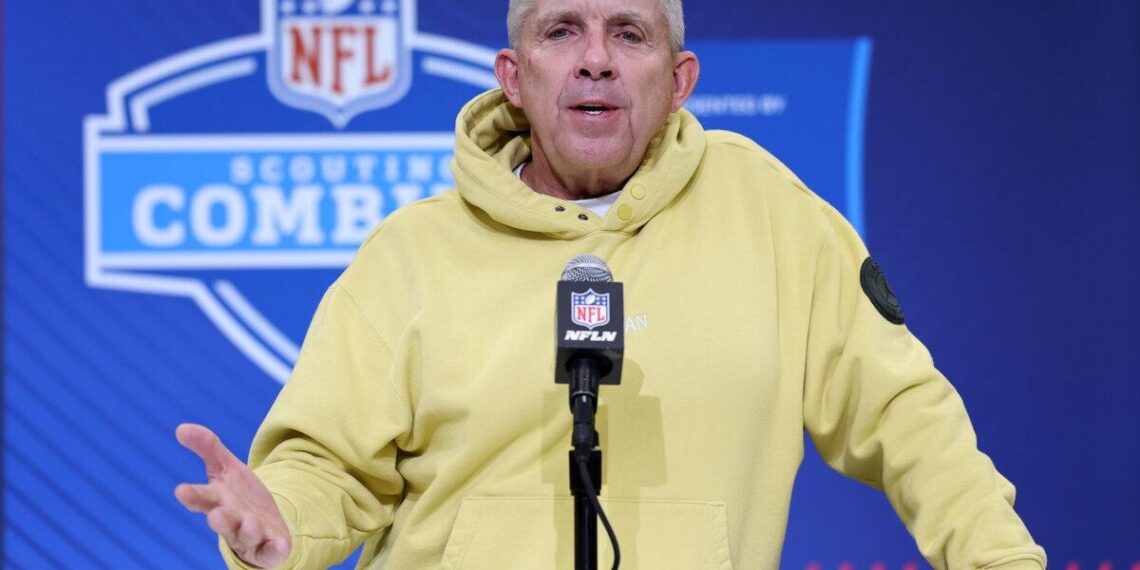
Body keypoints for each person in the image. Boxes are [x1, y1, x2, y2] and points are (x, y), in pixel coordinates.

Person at [175, 0, 1048, 568]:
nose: (595, 60)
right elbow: (325, 467)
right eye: (562, 31)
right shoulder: (409, 256)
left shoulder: (771, 215)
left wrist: (999, 559)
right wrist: (279, 524)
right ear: (515, 79)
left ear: (678, 82)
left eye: (628, 33)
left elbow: (906, 415)